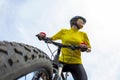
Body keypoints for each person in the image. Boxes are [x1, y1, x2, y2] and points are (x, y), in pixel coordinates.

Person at [39, 16, 91, 80]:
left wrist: (85, 48)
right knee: (44, 69)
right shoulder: (64, 31)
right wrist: (43, 37)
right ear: (74, 21)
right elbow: (52, 38)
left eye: (83, 23)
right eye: (81, 21)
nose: (83, 23)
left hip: (76, 63)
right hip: (62, 61)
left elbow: (89, 48)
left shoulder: (83, 34)